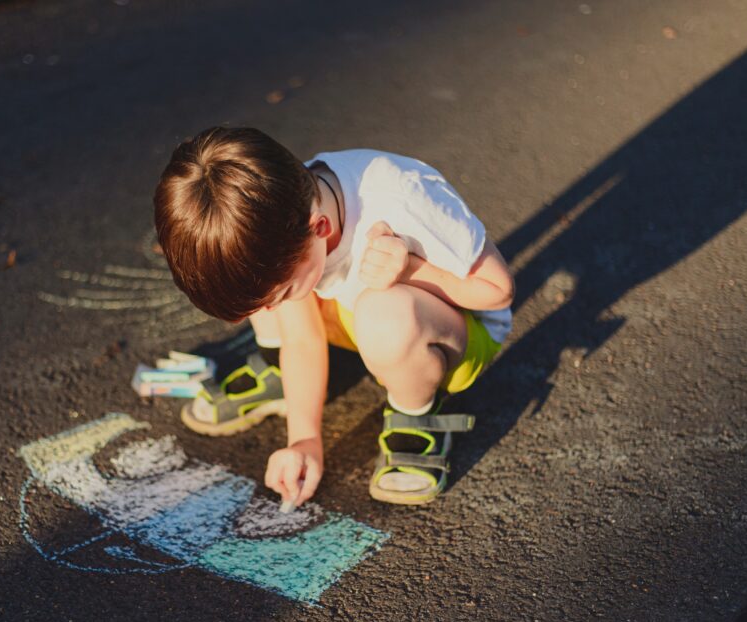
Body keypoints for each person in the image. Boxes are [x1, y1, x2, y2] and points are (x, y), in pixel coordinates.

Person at [153, 126, 513, 506]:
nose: (267, 312)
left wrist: (410, 269)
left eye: (281, 296)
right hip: (351, 308)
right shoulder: (280, 212)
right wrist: (304, 440)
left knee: (383, 314)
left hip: (453, 332)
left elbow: (498, 291)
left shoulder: (398, 200)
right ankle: (281, 372)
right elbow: (301, 339)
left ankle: (415, 413)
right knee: (253, 285)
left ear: (320, 227)